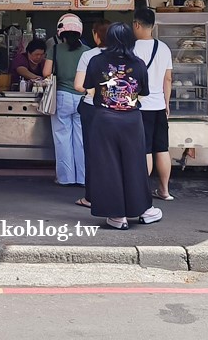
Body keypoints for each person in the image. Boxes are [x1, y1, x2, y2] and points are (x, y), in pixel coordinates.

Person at [78, 22, 162, 230]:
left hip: (104, 119)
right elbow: (143, 93)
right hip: (132, 121)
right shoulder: (139, 63)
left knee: (108, 166)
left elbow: (88, 87)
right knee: (135, 165)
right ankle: (143, 209)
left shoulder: (96, 61)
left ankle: (117, 216)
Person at [42, 13, 91, 187]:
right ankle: (83, 178)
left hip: (61, 97)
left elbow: (46, 73)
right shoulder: (87, 51)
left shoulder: (54, 49)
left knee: (62, 138)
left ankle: (65, 178)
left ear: (60, 32)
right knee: (81, 139)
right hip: (82, 98)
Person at [132, 8, 175, 201]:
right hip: (159, 106)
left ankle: (142, 191)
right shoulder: (163, 48)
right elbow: (168, 79)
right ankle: (164, 190)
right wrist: (166, 104)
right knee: (162, 149)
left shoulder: (132, 49)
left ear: (137, 24)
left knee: (145, 149)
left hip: (141, 107)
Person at [73, 19, 112, 208]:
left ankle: (91, 197)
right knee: (113, 153)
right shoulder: (122, 54)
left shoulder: (88, 55)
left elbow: (78, 85)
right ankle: (113, 194)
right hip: (116, 109)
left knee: (92, 152)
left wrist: (92, 91)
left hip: (92, 109)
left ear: (96, 36)